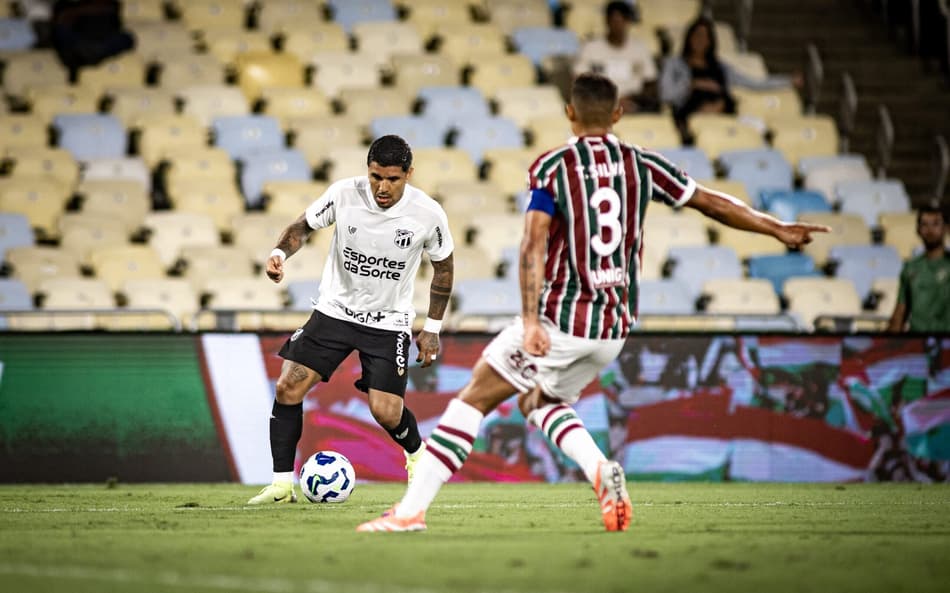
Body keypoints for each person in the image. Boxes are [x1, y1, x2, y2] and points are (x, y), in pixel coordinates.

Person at [355, 73, 829, 532]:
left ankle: (409, 514)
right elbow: (708, 200)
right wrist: (776, 228)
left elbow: (533, 244)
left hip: (561, 320)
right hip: (613, 329)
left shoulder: (553, 166)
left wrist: (529, 321)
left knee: (473, 398)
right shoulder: (643, 164)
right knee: (539, 400)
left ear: (569, 113)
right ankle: (601, 471)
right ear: (619, 113)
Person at [247, 135, 455, 504]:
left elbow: (443, 268)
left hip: (388, 321)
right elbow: (302, 227)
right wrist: (279, 252)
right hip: (335, 312)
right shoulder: (344, 194)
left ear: (409, 174)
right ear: (368, 170)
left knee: (385, 410)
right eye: (376, 177)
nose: (382, 187)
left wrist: (433, 328)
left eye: (392, 179)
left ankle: (418, 458)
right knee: (287, 387)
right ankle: (281, 485)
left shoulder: (428, 213)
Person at [659, 15, 795, 130]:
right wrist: (692, 84)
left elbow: (754, 83)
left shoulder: (721, 68)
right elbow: (666, 94)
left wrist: (788, 80)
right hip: (690, 119)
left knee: (758, 127)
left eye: (705, 36)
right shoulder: (674, 64)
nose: (700, 40)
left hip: (723, 116)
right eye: (697, 35)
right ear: (689, 38)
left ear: (711, 41)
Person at [573, 1, 658, 113]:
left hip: (633, 105)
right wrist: (610, 102)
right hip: (598, 105)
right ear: (607, 21)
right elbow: (579, 82)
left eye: (621, 21)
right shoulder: (591, 48)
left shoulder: (640, 49)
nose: (617, 25)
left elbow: (651, 83)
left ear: (628, 22)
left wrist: (631, 99)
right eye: (614, 21)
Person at [887, 205, 950, 332]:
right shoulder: (911, 268)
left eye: (936, 224)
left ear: (946, 228)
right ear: (918, 230)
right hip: (919, 342)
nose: (930, 230)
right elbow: (900, 313)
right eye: (924, 225)